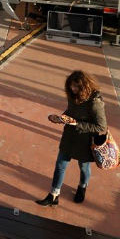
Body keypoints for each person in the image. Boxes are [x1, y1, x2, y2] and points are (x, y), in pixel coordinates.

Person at [36, 71, 107, 206]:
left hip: (85, 141)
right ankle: (54, 195)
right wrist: (60, 118)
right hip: (69, 136)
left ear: (84, 86)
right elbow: (71, 111)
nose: (72, 89)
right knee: (60, 165)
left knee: (84, 167)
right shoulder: (73, 95)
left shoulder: (95, 102)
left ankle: (82, 186)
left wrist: (77, 124)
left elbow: (101, 126)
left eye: (76, 87)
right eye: (71, 86)